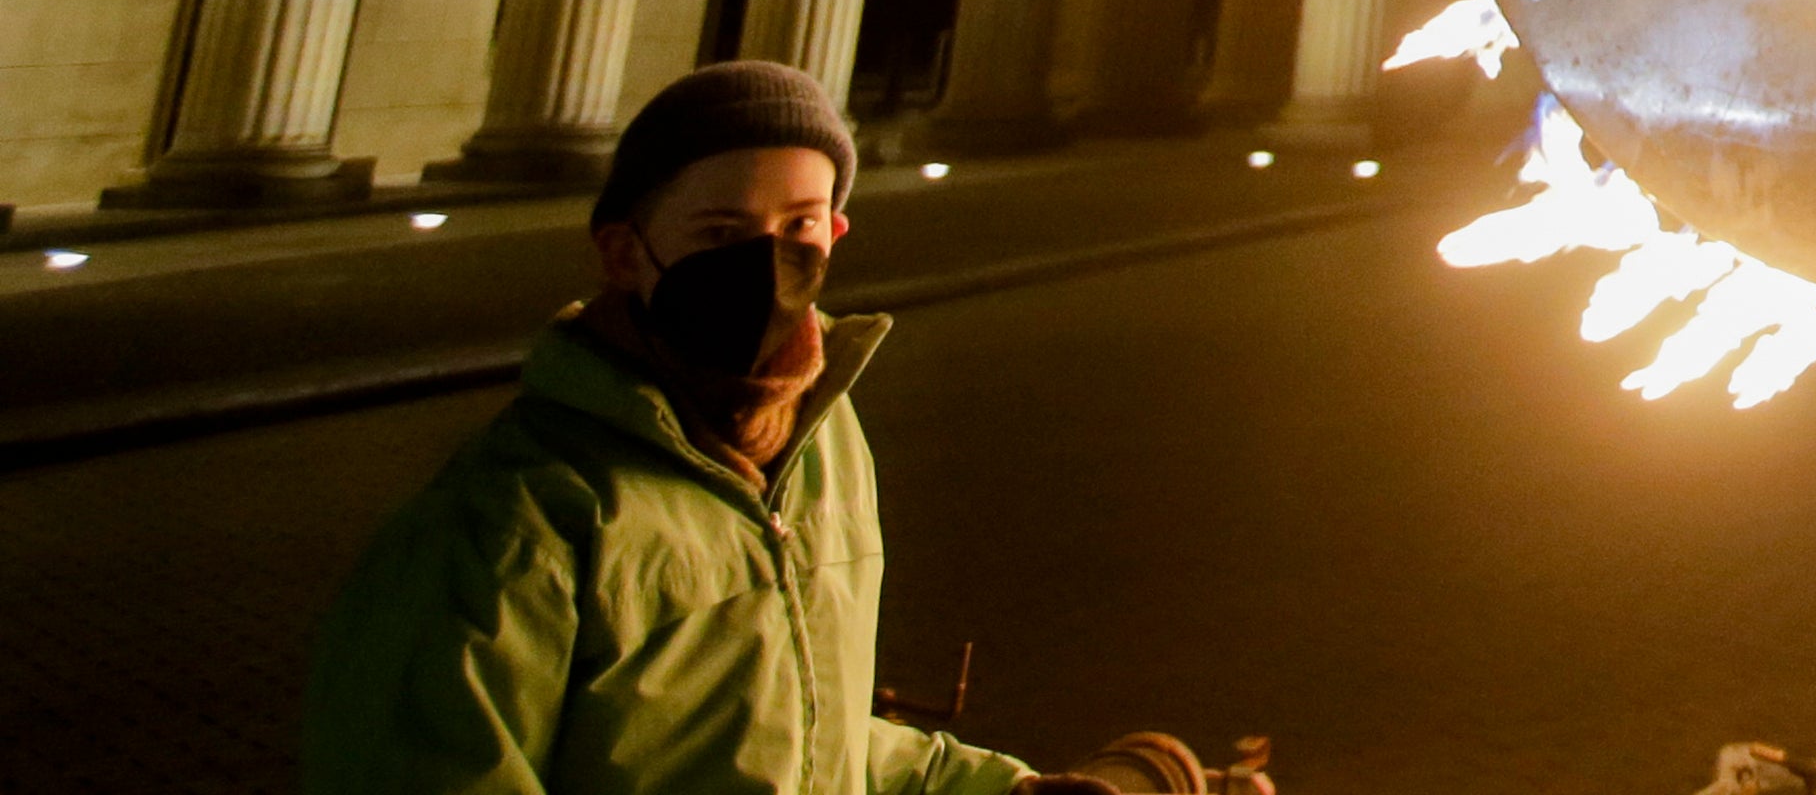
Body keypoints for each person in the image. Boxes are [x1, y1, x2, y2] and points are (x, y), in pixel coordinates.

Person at [306, 59, 1239, 793]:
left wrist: (1008, 790)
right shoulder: (508, 523)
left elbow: (805, 739)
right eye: (720, 233)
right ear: (624, 251)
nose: (766, 262)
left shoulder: (822, 445)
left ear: (836, 236)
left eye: (799, 227)